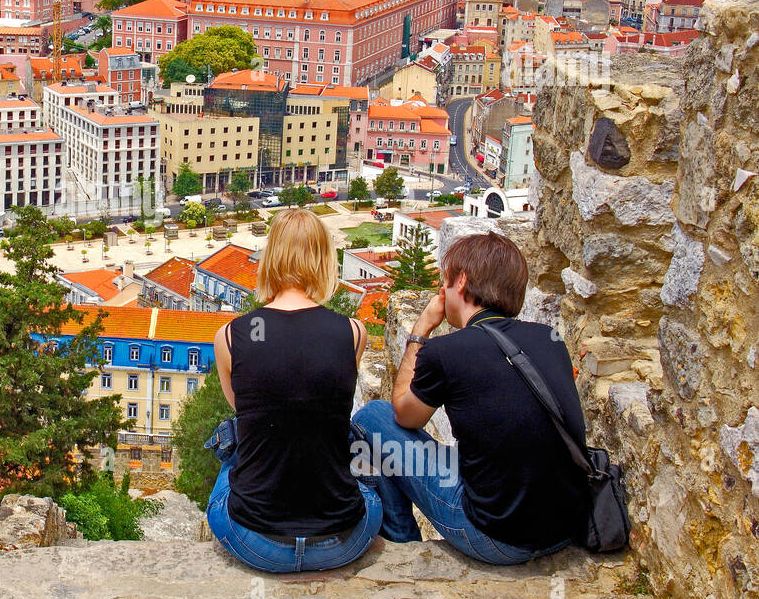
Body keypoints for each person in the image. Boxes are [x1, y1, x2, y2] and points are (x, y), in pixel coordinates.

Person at [352, 232, 588, 565]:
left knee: (371, 417)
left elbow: (404, 415)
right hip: (565, 527)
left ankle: (402, 549)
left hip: (496, 536)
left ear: (460, 282)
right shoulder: (549, 340)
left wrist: (421, 330)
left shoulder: (446, 352)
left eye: (444, 282)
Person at [205, 207, 383, 573]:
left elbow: (248, 412)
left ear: (270, 259)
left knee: (235, 442)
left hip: (255, 541)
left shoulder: (230, 337)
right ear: (323, 261)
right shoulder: (353, 333)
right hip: (340, 542)